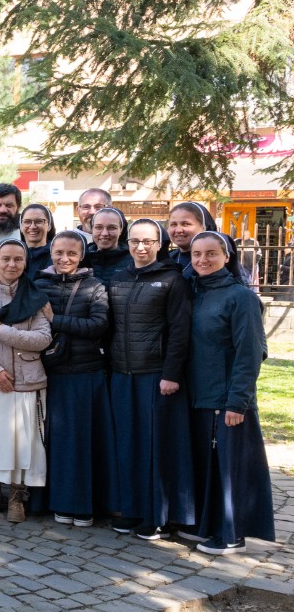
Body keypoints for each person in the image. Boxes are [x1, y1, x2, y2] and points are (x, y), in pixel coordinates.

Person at [186, 231, 274, 555]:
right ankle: (211, 526)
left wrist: (237, 401)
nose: (203, 260)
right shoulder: (195, 292)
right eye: (197, 254)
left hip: (229, 400)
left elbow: (250, 352)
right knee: (210, 467)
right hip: (200, 397)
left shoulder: (241, 297)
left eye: (211, 253)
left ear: (227, 256)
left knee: (230, 470)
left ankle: (232, 534)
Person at [107, 219, 193, 539]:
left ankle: (155, 515)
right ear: (127, 244)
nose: (140, 247)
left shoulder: (173, 280)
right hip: (121, 374)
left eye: (147, 241)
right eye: (134, 241)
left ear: (160, 244)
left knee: (153, 447)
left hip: (155, 376)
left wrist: (170, 374)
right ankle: (130, 510)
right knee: (127, 445)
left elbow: (180, 332)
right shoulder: (118, 279)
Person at [0, 240, 52, 522]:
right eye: (6, 259)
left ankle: (17, 495)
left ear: (25, 263)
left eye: (18, 259)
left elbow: (43, 338)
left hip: (26, 380)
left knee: (22, 442)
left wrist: (4, 333)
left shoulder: (35, 297)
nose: (11, 265)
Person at [35, 230, 112, 528]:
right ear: (51, 254)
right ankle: (53, 502)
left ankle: (82, 505)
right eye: (59, 253)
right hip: (51, 374)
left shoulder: (95, 287)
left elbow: (98, 325)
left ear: (81, 255)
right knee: (53, 443)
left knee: (82, 443)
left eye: (71, 253)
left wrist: (56, 320)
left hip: (85, 374)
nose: (64, 258)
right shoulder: (38, 284)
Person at [85, 207, 132, 285]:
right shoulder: (81, 258)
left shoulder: (133, 261)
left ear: (121, 230)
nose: (104, 233)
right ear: (92, 229)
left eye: (112, 228)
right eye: (99, 227)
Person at [167, 201, 217, 274]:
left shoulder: (216, 262)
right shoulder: (166, 259)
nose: (178, 230)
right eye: (173, 224)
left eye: (186, 224)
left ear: (204, 227)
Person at [20, 203, 56, 281]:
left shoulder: (57, 256)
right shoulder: (12, 255)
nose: (32, 226)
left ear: (49, 226)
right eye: (27, 222)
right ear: (21, 226)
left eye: (39, 221)